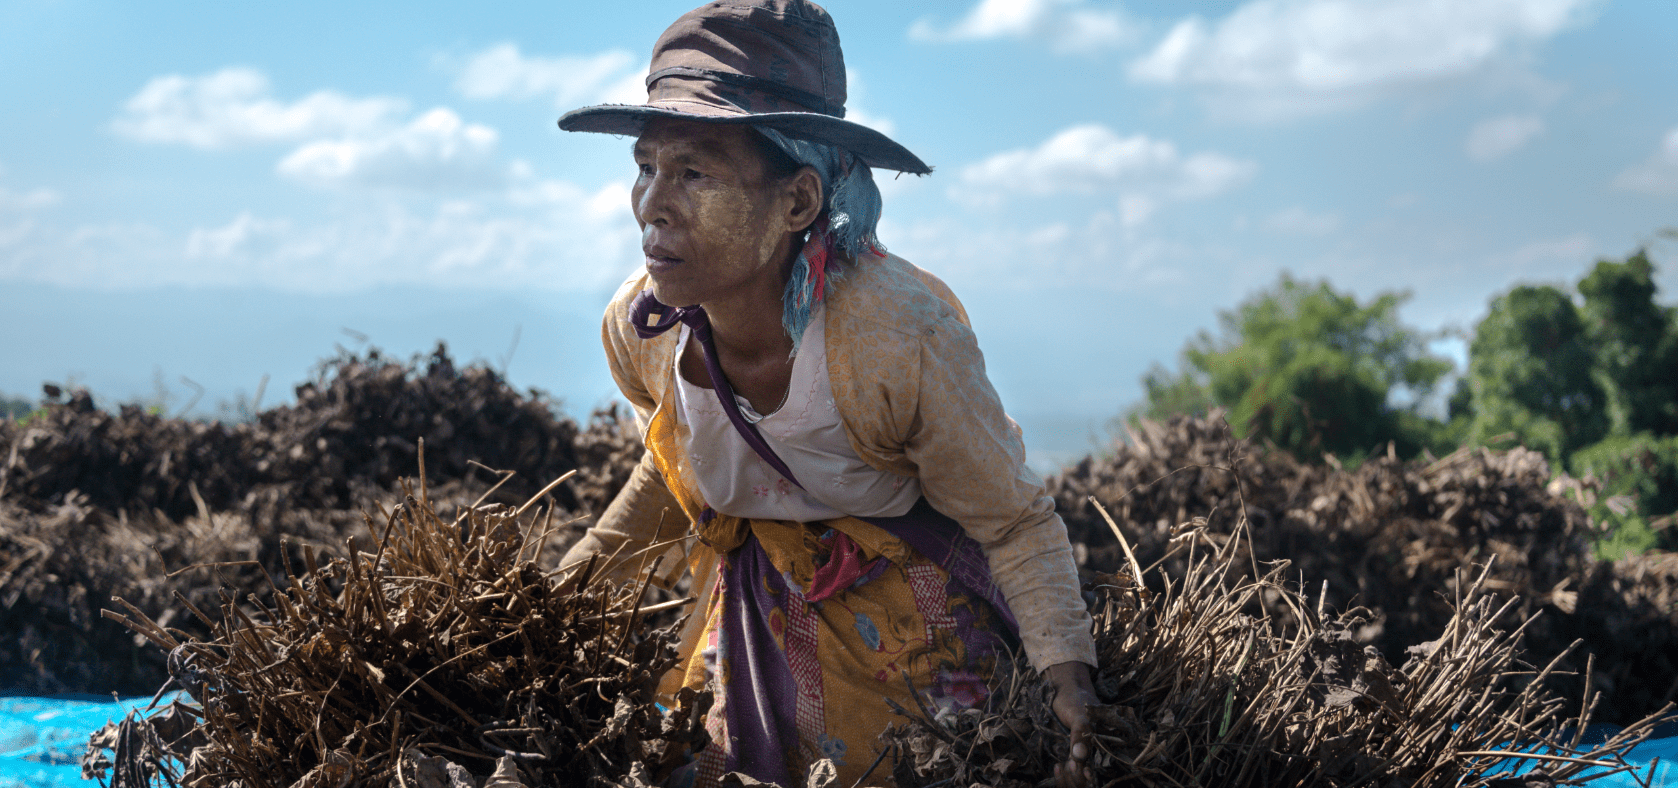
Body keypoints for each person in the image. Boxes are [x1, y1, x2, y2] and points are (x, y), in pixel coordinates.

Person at [557, 2, 1099, 786]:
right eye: (647, 166)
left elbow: (1011, 519)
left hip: (914, 638)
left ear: (798, 202)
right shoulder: (643, 331)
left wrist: (1068, 679)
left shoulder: (892, 340)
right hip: (754, 620)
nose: (652, 204)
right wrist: (553, 602)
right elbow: (681, 467)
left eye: (695, 172)